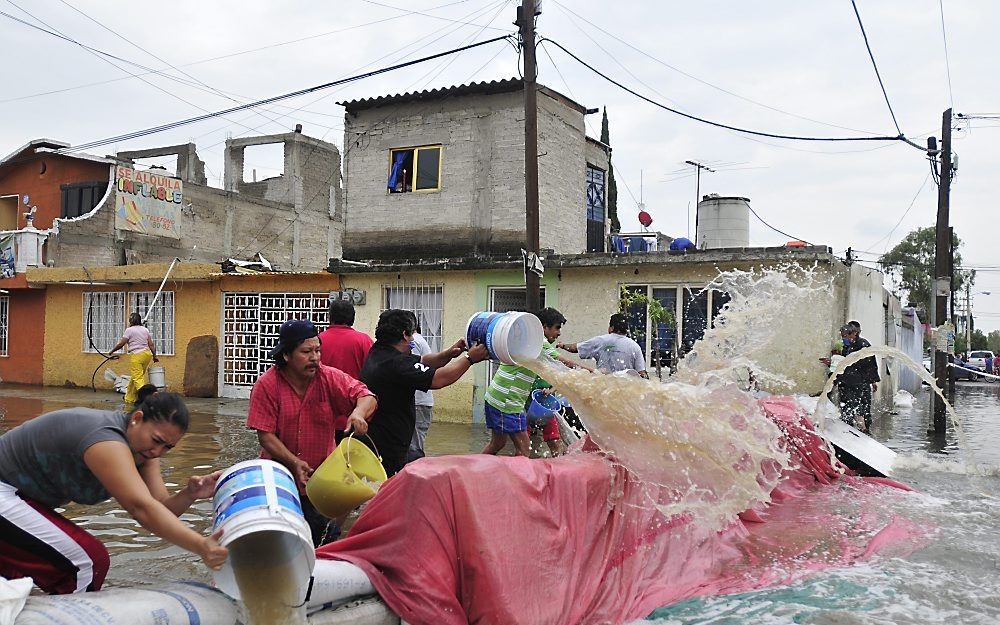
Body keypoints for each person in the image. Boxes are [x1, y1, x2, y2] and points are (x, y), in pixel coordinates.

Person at [0, 388, 227, 595]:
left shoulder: (144, 452)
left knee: (14, 587)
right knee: (86, 563)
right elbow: (141, 509)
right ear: (137, 419)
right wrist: (201, 545)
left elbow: (160, 508)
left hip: (19, 499)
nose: (158, 451)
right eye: (156, 440)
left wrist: (189, 494)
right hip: (5, 491)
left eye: (168, 447)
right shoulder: (106, 440)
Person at [247, 319, 377, 546]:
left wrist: (358, 413)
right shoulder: (267, 385)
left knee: (316, 542)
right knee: (279, 543)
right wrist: (294, 462)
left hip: (321, 479)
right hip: (278, 480)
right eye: (306, 351)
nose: (315, 357)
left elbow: (365, 395)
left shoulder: (329, 378)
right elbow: (265, 435)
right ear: (286, 355)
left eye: (318, 350)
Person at [360, 309, 489, 477]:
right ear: (405, 335)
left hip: (378, 437)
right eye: (412, 334)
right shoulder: (396, 363)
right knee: (390, 491)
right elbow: (438, 380)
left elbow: (422, 362)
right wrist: (469, 359)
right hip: (388, 444)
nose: (413, 339)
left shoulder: (380, 352)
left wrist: (450, 353)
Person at [482, 308, 588, 458]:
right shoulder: (538, 343)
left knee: (497, 444)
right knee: (524, 449)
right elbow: (565, 363)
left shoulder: (525, 341)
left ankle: (475, 472)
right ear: (544, 327)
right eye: (557, 328)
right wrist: (592, 372)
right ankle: (519, 480)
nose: (559, 333)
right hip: (509, 402)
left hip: (494, 397)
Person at [556, 313, 649, 378]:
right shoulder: (634, 346)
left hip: (604, 388)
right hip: (625, 392)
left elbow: (575, 348)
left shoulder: (601, 341)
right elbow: (641, 373)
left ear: (612, 328)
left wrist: (563, 345)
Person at [832, 322, 880, 433]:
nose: (844, 338)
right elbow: (843, 363)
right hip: (847, 382)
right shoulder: (848, 346)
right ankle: (848, 432)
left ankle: (864, 431)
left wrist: (873, 381)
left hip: (859, 383)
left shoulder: (863, 345)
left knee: (860, 408)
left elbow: (871, 364)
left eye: (846, 336)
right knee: (847, 408)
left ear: (854, 333)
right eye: (842, 336)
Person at [108, 312, 158, 406]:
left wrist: (112, 351)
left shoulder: (129, 330)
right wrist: (155, 356)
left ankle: (146, 399)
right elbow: (151, 344)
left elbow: (122, 343)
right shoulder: (145, 330)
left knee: (138, 378)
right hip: (147, 355)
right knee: (135, 377)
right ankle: (130, 398)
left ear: (131, 320)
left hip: (137, 355)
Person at [318, 299, 374, 379]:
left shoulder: (317, 340)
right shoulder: (364, 340)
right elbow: (372, 371)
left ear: (330, 317)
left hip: (323, 390)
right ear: (353, 318)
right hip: (355, 390)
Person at [406, 316, 435, 465]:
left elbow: (412, 370)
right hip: (420, 402)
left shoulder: (413, 342)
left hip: (418, 402)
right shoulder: (417, 340)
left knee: (414, 449)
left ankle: (415, 481)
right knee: (414, 445)